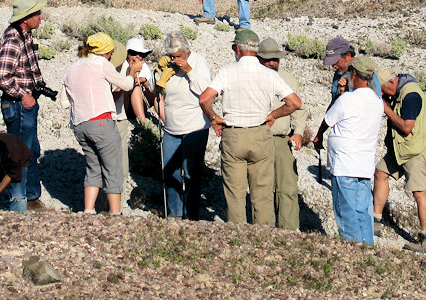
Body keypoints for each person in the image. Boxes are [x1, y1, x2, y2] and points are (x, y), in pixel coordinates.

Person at [199, 28, 302, 226]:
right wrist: (273, 115)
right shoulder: (269, 74)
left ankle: (239, 240)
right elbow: (295, 103)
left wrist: (213, 118)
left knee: (235, 194)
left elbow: (204, 99)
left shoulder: (227, 72)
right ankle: (264, 240)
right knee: (262, 193)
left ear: (237, 49)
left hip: (234, 135)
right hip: (260, 133)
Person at [372, 67, 426, 253]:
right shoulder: (397, 90)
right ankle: (375, 220)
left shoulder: (410, 96)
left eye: (380, 89)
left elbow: (406, 127)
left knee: (419, 192)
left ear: (391, 83)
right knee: (380, 173)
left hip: (416, 150)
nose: (379, 93)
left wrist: (386, 108)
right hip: (401, 148)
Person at [62, 33, 135, 215]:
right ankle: (115, 213)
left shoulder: (72, 68)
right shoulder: (101, 64)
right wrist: (132, 73)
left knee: (93, 167)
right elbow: (126, 85)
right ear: (106, 52)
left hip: (79, 124)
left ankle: (88, 210)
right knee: (113, 168)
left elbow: (64, 101)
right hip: (101, 121)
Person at [314, 56, 384, 245]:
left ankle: (351, 252)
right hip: (364, 166)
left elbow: (328, 120)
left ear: (354, 74)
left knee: (346, 213)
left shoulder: (347, 101)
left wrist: (319, 135)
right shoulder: (377, 102)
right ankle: (367, 248)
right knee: (362, 211)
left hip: (344, 164)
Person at [0, 0, 49, 211]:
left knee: (30, 149)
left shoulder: (24, 35)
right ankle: (20, 200)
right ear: (25, 18)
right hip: (18, 105)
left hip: (25, 105)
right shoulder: (13, 39)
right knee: (21, 152)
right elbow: (2, 77)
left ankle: (30, 196)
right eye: (37, 14)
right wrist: (23, 95)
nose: (41, 17)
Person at [155, 32, 212, 220]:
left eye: (179, 56)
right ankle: (174, 215)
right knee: (169, 173)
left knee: (191, 173)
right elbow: (158, 92)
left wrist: (189, 70)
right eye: (172, 56)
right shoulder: (167, 64)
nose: (175, 60)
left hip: (195, 126)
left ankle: (192, 216)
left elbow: (207, 92)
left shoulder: (198, 62)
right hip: (171, 126)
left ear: (188, 51)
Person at [257, 38, 308, 231]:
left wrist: (298, 133)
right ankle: (264, 229)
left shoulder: (288, 78)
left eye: (275, 59)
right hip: (258, 138)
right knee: (263, 188)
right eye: (268, 59)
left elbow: (300, 109)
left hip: (282, 141)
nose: (272, 63)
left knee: (287, 188)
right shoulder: (252, 77)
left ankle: (290, 230)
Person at [113, 37, 157, 183]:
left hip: (140, 101)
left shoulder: (143, 66)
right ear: (127, 53)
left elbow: (151, 87)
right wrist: (132, 75)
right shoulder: (120, 65)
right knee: (134, 86)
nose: (138, 57)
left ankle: (165, 119)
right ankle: (143, 123)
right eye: (134, 53)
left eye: (141, 54)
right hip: (123, 103)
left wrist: (142, 79)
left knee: (155, 93)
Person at [324, 36, 381, 104]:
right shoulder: (339, 73)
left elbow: (374, 104)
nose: (333, 66)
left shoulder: (365, 73)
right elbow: (334, 100)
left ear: (348, 55)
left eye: (336, 61)